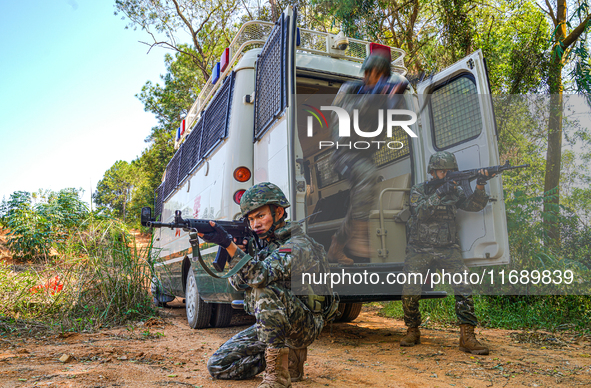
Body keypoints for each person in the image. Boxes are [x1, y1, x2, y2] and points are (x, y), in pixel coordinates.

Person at [202, 182, 336, 388]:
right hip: (273, 325)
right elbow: (239, 283)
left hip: (305, 323)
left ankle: (277, 377)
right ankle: (288, 359)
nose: (255, 224)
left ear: (279, 212)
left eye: (260, 216)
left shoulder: (299, 244)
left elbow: (261, 277)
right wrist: (236, 252)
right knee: (218, 366)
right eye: (251, 219)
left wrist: (228, 244)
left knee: (265, 288)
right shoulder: (263, 245)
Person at [400, 151, 493, 355]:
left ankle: (467, 337)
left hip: (448, 248)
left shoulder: (457, 191)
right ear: (433, 172)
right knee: (410, 291)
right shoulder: (419, 189)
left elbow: (475, 206)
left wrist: (480, 185)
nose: (447, 173)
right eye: (443, 170)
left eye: (450, 170)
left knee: (464, 289)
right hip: (419, 248)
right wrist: (440, 193)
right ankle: (412, 329)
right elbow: (420, 213)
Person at [327, 53, 409, 265]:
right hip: (343, 152)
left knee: (360, 205)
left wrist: (394, 97)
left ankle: (336, 246)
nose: (374, 78)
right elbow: (341, 118)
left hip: (364, 154)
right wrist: (372, 97)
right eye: (372, 74)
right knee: (367, 174)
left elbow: (396, 119)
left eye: (381, 75)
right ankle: (361, 237)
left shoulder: (382, 94)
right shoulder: (350, 89)